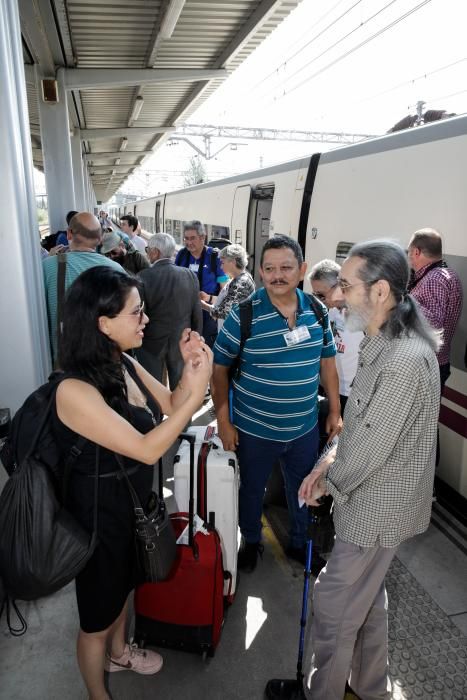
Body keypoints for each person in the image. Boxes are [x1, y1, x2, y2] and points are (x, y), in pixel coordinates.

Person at [52, 266, 212, 700]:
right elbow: (146, 448)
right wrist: (196, 399)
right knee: (95, 619)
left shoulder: (121, 361)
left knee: (124, 587)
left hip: (129, 504)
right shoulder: (73, 390)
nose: (146, 319)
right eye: (136, 313)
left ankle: (120, 653)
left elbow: (169, 403)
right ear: (103, 324)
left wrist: (192, 372)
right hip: (97, 518)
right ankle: (96, 692)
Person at [294, 240, 441, 700]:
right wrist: (327, 462)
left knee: (335, 607)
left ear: (379, 291)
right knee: (367, 603)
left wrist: (326, 483)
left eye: (345, 285)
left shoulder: (401, 359)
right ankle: (370, 687)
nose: (336, 296)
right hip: (373, 501)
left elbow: (372, 444)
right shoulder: (386, 340)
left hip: (375, 511)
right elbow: (361, 424)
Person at [212, 235, 341, 573]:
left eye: (285, 268)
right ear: (260, 272)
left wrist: (336, 413)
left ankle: (300, 544)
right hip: (254, 429)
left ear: (301, 270)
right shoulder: (245, 315)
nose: (277, 275)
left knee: (305, 488)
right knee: (252, 490)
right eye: (269, 269)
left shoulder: (317, 310)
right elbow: (219, 371)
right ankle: (251, 541)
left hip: (303, 427)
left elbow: (328, 362)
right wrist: (224, 422)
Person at [42, 212, 122, 365]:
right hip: (104, 360)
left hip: (63, 362)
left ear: (69, 234)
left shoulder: (47, 267)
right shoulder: (116, 270)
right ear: (99, 239)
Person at [136, 233, 203, 389]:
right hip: (182, 341)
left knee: (153, 390)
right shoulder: (189, 275)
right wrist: (195, 340)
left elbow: (138, 312)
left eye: (148, 250)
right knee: (182, 387)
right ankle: (183, 413)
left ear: (155, 252)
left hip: (151, 343)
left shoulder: (143, 276)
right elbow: (196, 312)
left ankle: (156, 414)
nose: (147, 253)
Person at [407, 228, 463, 391]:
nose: (409, 257)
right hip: (438, 363)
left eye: (409, 252)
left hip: (425, 366)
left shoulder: (433, 280)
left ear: (416, 252)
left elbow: (432, 324)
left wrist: (403, 301)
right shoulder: (449, 274)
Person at [309, 259, 363, 414]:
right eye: (315, 295)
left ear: (338, 286)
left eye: (321, 294)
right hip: (331, 386)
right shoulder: (329, 310)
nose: (319, 300)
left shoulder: (364, 314)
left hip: (353, 393)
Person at [175, 220, 229, 348]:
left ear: (202, 238)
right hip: (186, 312)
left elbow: (225, 289)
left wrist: (210, 299)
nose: (188, 242)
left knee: (205, 347)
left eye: (192, 238)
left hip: (208, 313)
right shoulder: (182, 255)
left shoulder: (214, 257)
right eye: (186, 238)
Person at [199, 243, 255, 330]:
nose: (221, 267)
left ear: (233, 262)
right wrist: (208, 298)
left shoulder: (241, 283)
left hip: (236, 336)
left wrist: (203, 305)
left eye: (223, 262)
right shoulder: (239, 278)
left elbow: (222, 312)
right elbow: (227, 301)